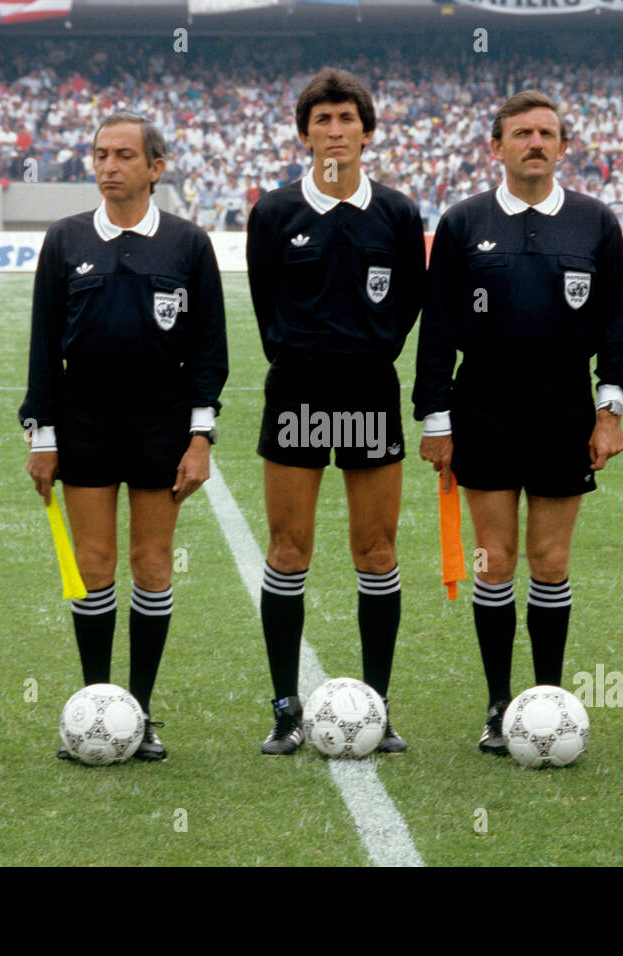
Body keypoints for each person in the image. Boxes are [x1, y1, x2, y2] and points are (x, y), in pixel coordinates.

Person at [413, 91, 623, 755]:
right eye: (521, 134)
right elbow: (438, 333)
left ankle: (546, 699)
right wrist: (436, 418)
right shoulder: (462, 223)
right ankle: (495, 703)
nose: (534, 143)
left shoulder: (594, 222)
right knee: (494, 561)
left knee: (550, 559)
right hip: (482, 409)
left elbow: (617, 330)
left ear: (563, 147)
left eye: (546, 134)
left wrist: (610, 412)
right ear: (497, 146)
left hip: (563, 412)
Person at [20, 112, 227, 761]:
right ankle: (95, 709)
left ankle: (139, 713)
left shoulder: (188, 244)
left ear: (155, 168)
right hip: (82, 420)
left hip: (161, 422)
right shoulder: (65, 239)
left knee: (152, 564)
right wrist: (42, 434)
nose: (108, 165)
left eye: (123, 156)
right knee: (94, 566)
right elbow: (43, 345)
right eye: (100, 154)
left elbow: (209, 350)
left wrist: (201, 437)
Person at [245, 68, 424, 755]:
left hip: (370, 392)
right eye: (321, 120)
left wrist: (367, 350)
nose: (335, 130)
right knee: (289, 549)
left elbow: (408, 301)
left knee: (375, 551)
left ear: (367, 131)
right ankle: (286, 707)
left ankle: (376, 706)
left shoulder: (399, 214)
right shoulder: (275, 213)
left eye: (346, 118)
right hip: (296, 391)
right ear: (304, 133)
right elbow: (267, 308)